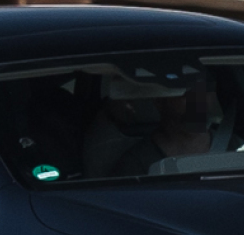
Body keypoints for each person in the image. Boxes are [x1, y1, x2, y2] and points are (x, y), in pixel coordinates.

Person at [82, 64, 233, 178]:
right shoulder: (137, 164)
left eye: (202, 92)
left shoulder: (238, 148)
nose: (197, 101)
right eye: (184, 94)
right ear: (159, 102)